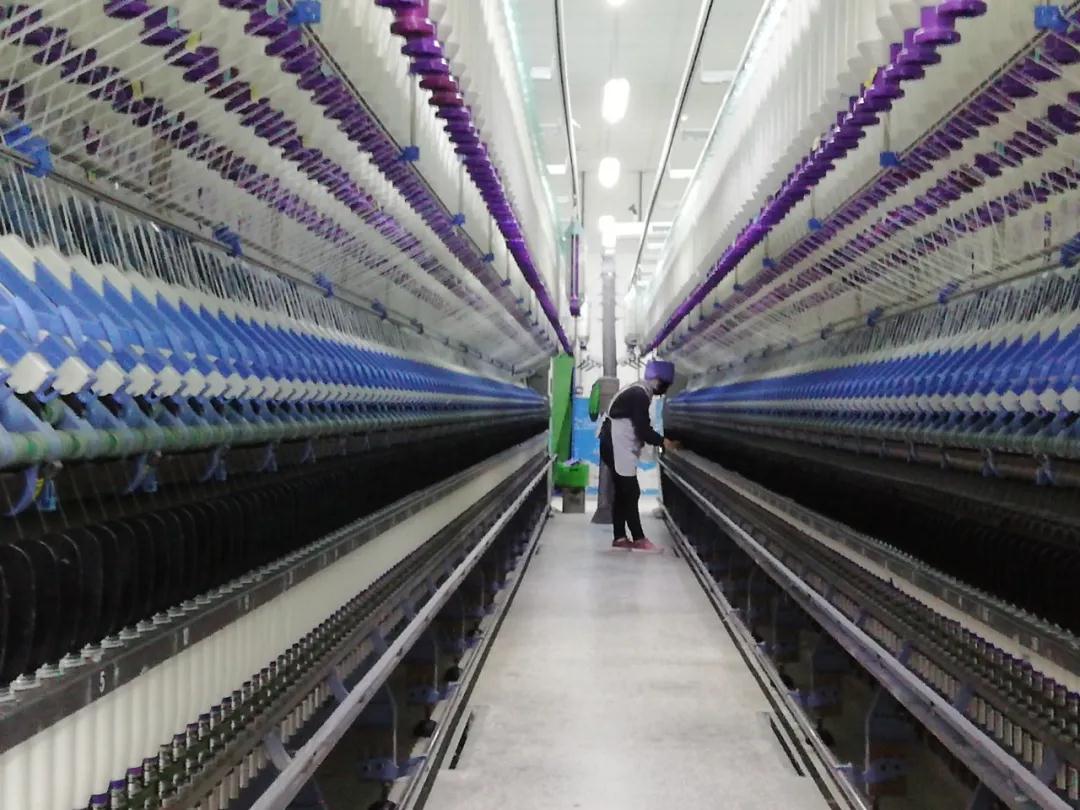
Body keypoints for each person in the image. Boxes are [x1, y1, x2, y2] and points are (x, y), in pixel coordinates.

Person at [598, 360, 678, 551]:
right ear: (658, 381)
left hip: (613, 444)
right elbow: (642, 429)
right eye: (665, 385)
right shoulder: (639, 394)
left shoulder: (637, 390)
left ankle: (619, 537)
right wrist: (663, 442)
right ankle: (639, 538)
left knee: (622, 491)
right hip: (616, 445)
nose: (664, 391)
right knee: (631, 491)